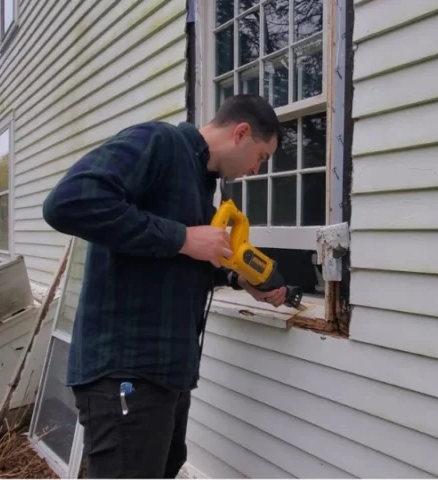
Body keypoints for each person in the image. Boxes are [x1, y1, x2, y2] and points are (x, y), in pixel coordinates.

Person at [42, 94, 287, 478]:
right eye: (261, 156)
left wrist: (240, 279)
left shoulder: (200, 182)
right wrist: (183, 238)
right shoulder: (159, 143)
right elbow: (67, 202)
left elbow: (182, 261)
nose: (257, 169)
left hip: (166, 377)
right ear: (241, 133)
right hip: (125, 372)